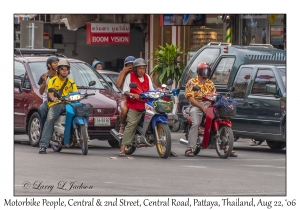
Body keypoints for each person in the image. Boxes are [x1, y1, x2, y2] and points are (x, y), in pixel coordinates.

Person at [184, 62, 237, 157]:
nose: (205, 73)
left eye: (207, 70)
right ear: (198, 72)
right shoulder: (192, 82)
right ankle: (189, 148)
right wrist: (201, 107)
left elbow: (214, 94)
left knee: (221, 119)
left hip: (209, 105)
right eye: (203, 70)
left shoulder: (210, 83)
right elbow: (191, 98)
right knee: (195, 123)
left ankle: (226, 147)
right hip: (197, 105)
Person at [39, 59, 78, 154]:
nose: (65, 71)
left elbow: (75, 93)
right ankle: (43, 145)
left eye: (66, 69)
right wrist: (53, 98)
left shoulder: (71, 82)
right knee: (50, 119)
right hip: (56, 104)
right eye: (62, 69)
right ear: (59, 70)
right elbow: (50, 93)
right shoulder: (53, 80)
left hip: (68, 104)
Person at [118, 58, 154, 157]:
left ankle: (167, 146)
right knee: (132, 123)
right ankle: (123, 146)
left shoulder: (147, 77)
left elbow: (152, 90)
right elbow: (125, 91)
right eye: (140, 69)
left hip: (146, 104)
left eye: (143, 68)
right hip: (134, 104)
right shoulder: (130, 76)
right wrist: (132, 94)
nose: (142, 71)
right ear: (135, 69)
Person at [115, 56, 136, 136]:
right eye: (128, 65)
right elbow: (118, 85)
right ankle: (122, 126)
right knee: (124, 108)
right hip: (125, 98)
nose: (130, 67)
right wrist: (123, 72)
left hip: (137, 98)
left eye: (132, 65)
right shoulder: (122, 73)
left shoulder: (137, 73)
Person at [37, 56, 59, 131]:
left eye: (58, 63)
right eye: (55, 63)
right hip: (48, 100)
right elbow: (41, 92)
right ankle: (44, 130)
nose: (57, 65)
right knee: (42, 109)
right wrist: (44, 81)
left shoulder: (61, 75)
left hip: (60, 99)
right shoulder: (44, 76)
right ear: (49, 65)